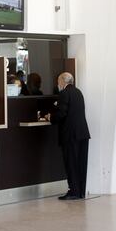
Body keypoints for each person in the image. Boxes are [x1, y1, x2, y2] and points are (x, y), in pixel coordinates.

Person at [45, 72, 90, 200]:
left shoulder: (64, 93)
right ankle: (80, 191)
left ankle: (74, 191)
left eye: (58, 81)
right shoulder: (78, 92)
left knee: (71, 163)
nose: (57, 84)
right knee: (81, 163)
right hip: (82, 133)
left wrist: (51, 117)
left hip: (71, 134)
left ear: (63, 82)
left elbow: (61, 114)